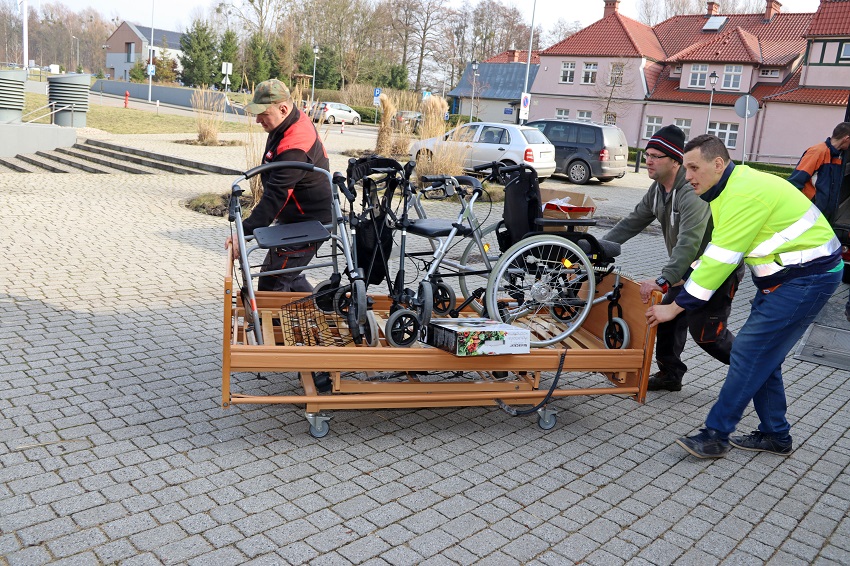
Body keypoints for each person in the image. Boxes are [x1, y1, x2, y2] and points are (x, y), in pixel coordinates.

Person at [647, 134, 843, 459]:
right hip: (784, 281)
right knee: (763, 355)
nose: (688, 175)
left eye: (694, 167)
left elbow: (721, 260)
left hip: (807, 279)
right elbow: (718, 251)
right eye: (686, 167)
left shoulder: (743, 194)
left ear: (718, 164)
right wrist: (678, 282)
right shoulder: (725, 191)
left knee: (749, 353)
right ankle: (776, 435)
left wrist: (675, 307)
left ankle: (715, 435)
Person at [603, 125, 743, 392]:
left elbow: (689, 242)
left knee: (708, 336)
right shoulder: (657, 190)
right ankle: (670, 374)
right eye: (647, 155)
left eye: (656, 156)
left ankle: (755, 366)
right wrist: (598, 248)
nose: (649, 161)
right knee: (664, 320)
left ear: (675, 160)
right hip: (685, 270)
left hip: (716, 270)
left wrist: (664, 279)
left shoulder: (692, 193)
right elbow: (632, 222)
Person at [225, 79, 332, 292]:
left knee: (273, 282)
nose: (257, 120)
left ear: (283, 109)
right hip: (294, 220)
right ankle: (319, 313)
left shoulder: (295, 145)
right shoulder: (288, 120)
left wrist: (243, 232)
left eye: (263, 114)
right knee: (283, 278)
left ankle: (275, 323)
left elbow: (276, 196)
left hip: (309, 223)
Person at [787, 122, 850, 221]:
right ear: (846, 139)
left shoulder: (839, 156)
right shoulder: (817, 152)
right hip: (810, 213)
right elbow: (795, 182)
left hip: (824, 215)